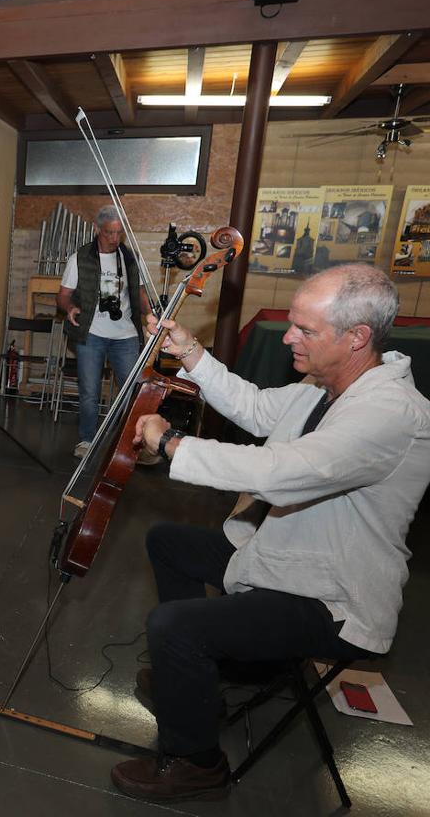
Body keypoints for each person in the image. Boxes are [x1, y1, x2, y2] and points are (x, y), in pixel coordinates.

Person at [111, 264, 430, 803]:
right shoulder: (324, 389)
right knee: (169, 542)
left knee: (175, 626)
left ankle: (198, 763)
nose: (287, 337)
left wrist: (172, 446)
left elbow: (281, 476)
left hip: (331, 596)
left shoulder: (390, 413)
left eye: (305, 329)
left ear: (357, 338)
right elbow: (257, 408)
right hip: (286, 557)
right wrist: (190, 353)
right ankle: (196, 687)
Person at [57, 205, 152, 458]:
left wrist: (150, 313)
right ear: (97, 229)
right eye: (109, 232)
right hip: (92, 333)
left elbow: (140, 292)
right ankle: (87, 439)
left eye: (119, 233)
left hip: (126, 335)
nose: (114, 238)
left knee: (134, 390)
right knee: (89, 391)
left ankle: (134, 442)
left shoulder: (131, 258)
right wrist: (70, 308)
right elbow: (63, 296)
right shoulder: (80, 258)